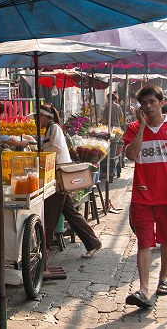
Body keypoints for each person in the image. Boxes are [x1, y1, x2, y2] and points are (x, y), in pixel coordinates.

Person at [123, 85, 167, 308]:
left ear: (161, 103)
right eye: (143, 103)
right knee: (144, 240)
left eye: (152, 102)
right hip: (142, 196)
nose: (148, 106)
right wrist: (142, 127)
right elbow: (132, 155)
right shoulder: (133, 128)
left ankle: (163, 278)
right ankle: (143, 289)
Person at [37, 104, 102, 259]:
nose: (37, 120)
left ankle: (44, 249)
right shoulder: (49, 130)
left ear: (47, 117)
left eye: (39, 116)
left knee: (51, 213)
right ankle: (92, 243)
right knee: (70, 213)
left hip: (58, 176)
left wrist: (39, 151)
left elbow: (57, 149)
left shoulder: (54, 129)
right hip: (55, 175)